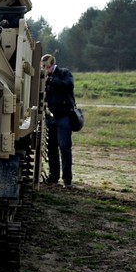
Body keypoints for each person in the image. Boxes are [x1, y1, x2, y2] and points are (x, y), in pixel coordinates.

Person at [42, 54, 75, 188]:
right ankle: (53, 176)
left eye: (47, 67)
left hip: (63, 117)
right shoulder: (44, 77)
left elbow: (68, 85)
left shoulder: (63, 73)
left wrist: (50, 79)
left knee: (64, 147)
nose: (45, 69)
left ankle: (67, 179)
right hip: (50, 117)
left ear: (52, 65)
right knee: (51, 149)